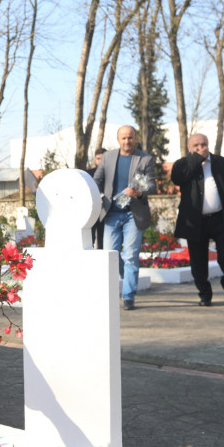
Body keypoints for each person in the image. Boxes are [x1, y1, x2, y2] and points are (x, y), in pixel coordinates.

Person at [171, 133, 224, 307]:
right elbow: (177, 178)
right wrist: (197, 159)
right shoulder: (182, 164)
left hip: (221, 219)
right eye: (196, 146)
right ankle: (205, 295)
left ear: (208, 144)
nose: (200, 148)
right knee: (198, 261)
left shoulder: (222, 163)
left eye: (203, 144)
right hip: (195, 221)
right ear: (190, 148)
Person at [93, 126, 155, 310]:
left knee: (131, 256)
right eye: (124, 138)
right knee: (111, 256)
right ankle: (111, 293)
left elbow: (152, 185)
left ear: (135, 138)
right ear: (118, 139)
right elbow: (96, 180)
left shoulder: (145, 159)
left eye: (130, 138)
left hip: (133, 215)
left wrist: (139, 191)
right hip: (111, 213)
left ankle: (128, 296)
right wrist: (100, 195)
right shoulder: (108, 157)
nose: (127, 141)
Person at [84, 148, 106, 250]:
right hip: (91, 210)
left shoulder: (111, 174)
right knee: (90, 238)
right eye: (98, 158)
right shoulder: (88, 174)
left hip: (106, 210)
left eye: (103, 158)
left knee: (103, 239)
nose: (100, 161)